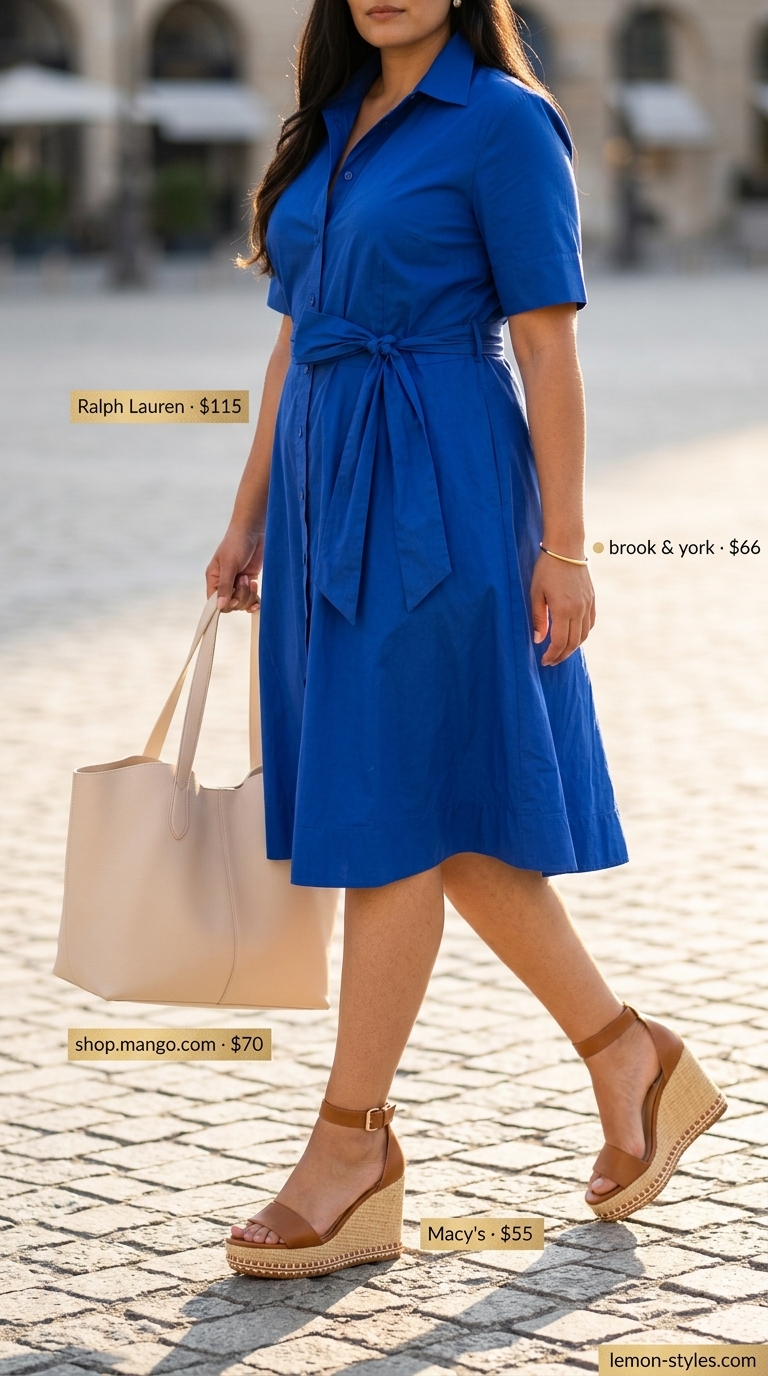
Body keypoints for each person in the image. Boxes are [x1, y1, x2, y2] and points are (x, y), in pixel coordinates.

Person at [207, 0, 726, 1279]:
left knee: (396, 810)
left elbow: (548, 345)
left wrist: (566, 542)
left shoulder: (504, 122)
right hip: (331, 493)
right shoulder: (330, 124)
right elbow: (292, 341)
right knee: (430, 811)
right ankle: (629, 1055)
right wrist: (249, 515)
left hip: (446, 489)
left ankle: (349, 1145)